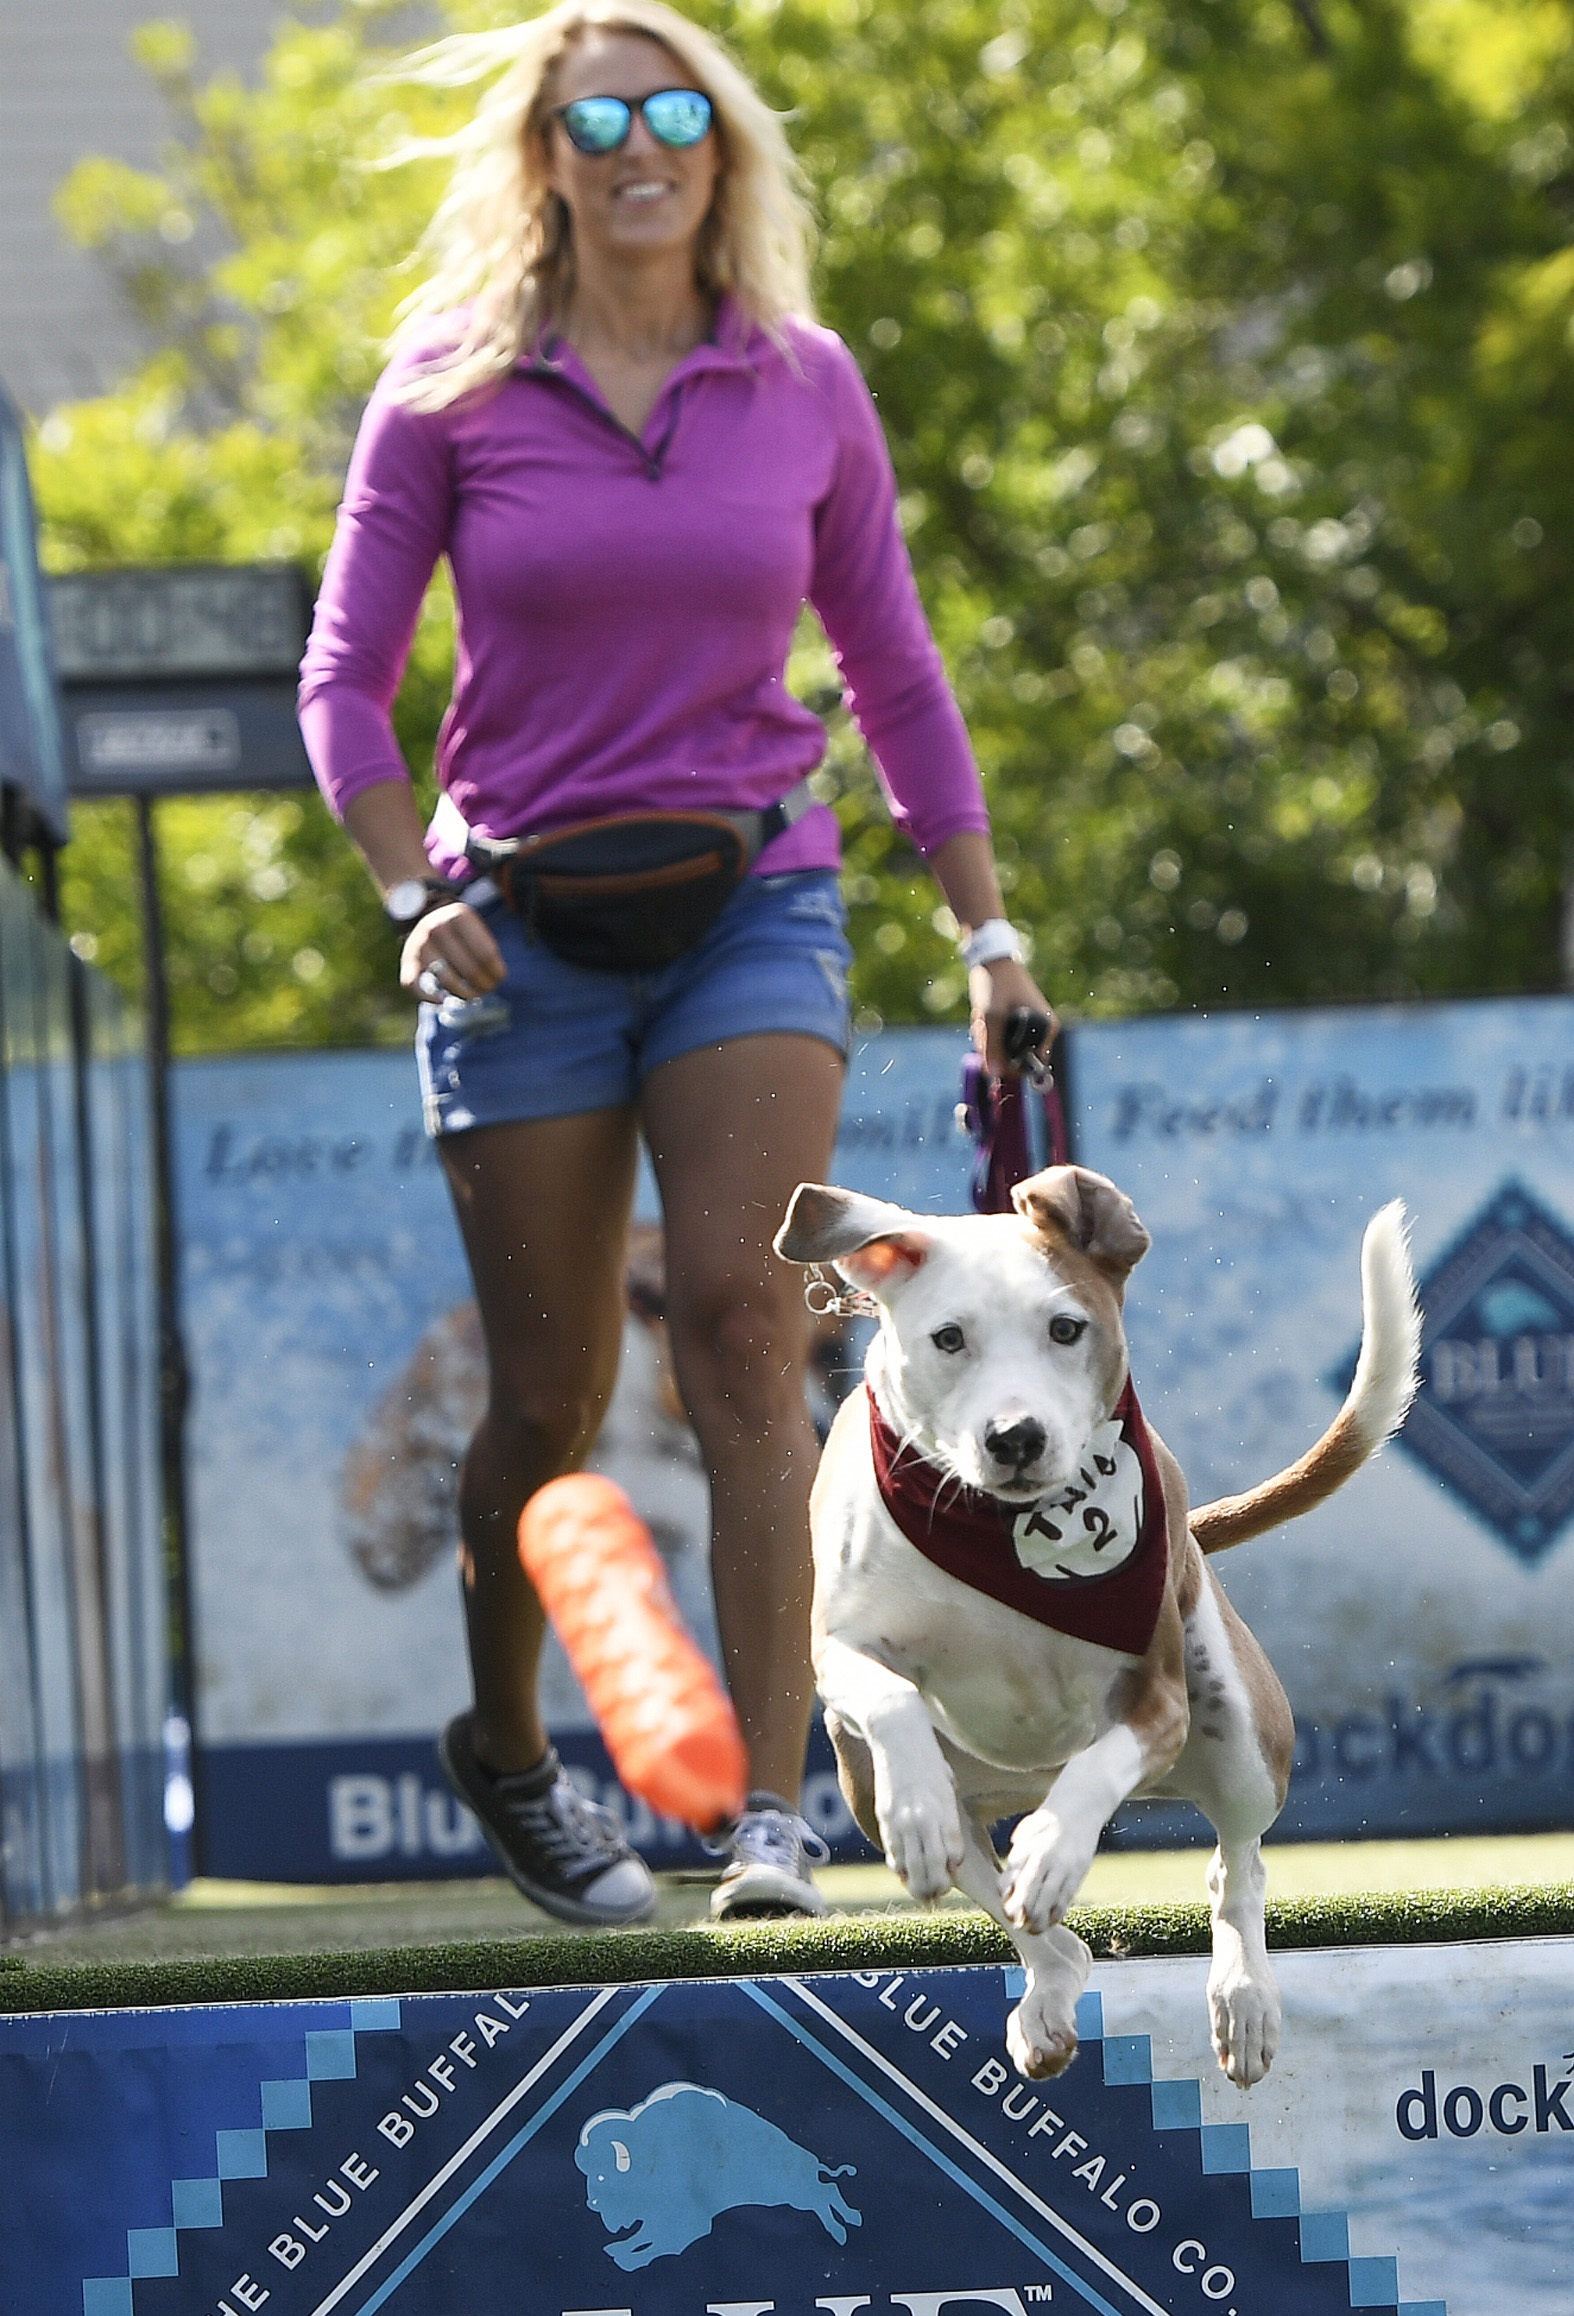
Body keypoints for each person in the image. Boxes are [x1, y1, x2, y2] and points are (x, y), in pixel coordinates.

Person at [298, 0, 1055, 1926]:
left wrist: (985, 924)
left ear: (722, 153)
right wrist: (410, 897)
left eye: (674, 112)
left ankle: (775, 1809)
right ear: (544, 160)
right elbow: (345, 685)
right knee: (545, 1402)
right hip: (518, 940)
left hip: (752, 904)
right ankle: (506, 1748)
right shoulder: (446, 392)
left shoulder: (801, 381)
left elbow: (889, 665)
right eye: (594, 118)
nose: (638, 143)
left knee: (746, 1322)